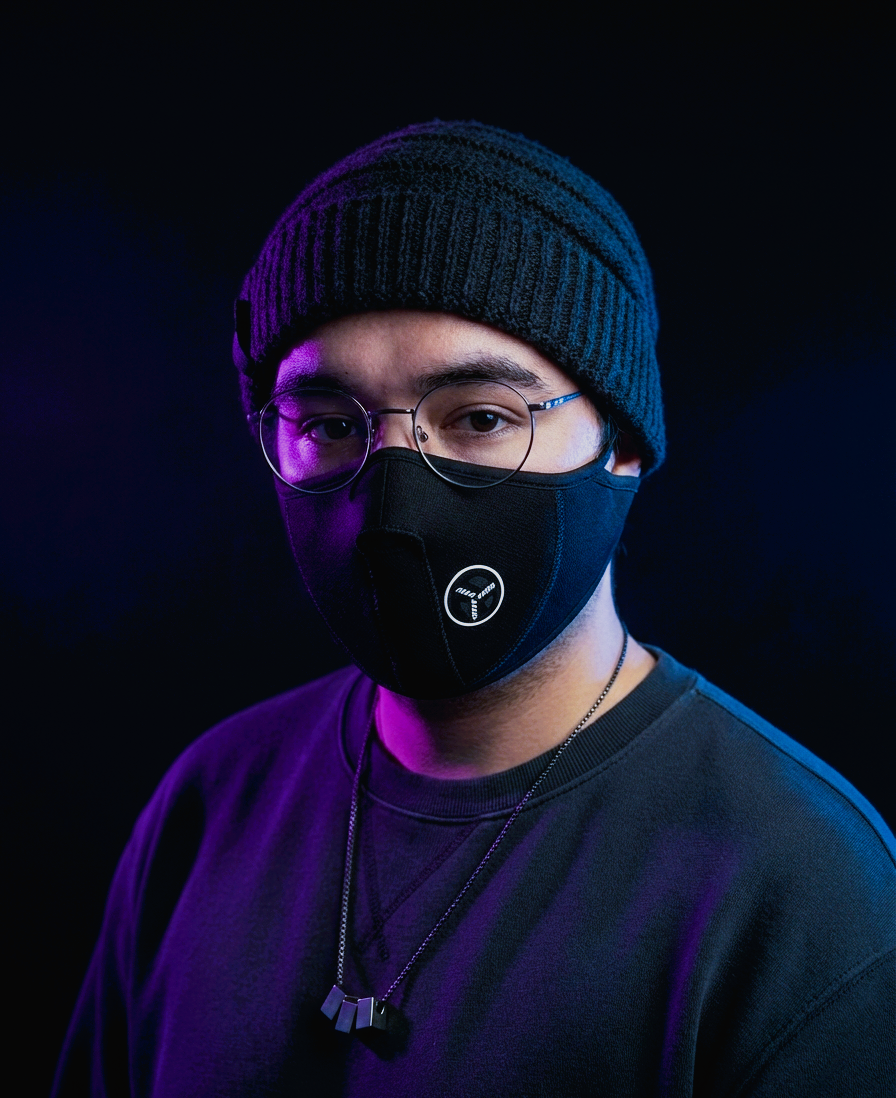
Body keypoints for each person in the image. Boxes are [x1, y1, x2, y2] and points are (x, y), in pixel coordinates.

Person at [53, 121, 894, 1097]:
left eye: (482, 418)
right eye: (327, 425)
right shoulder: (209, 807)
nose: (392, 499)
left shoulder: (802, 892)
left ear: (621, 442)